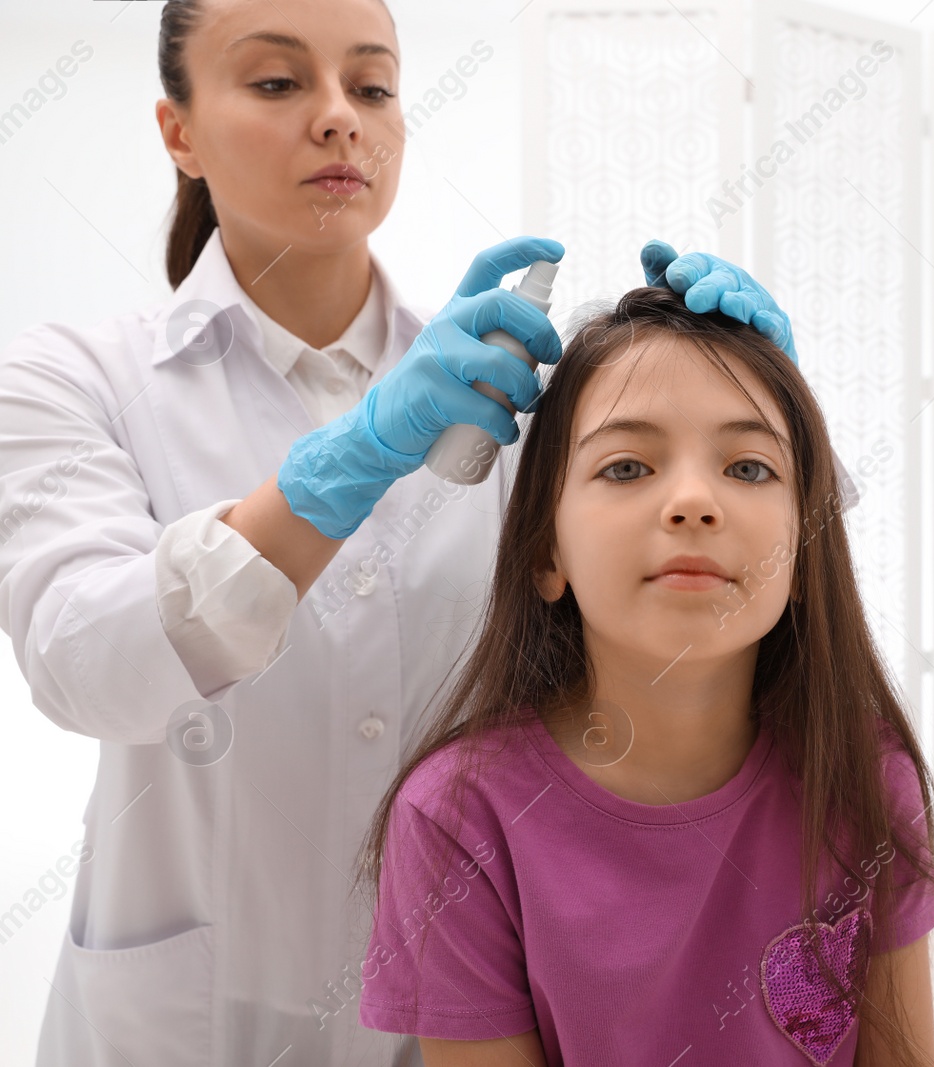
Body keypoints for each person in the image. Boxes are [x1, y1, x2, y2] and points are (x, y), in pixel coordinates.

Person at [0, 0, 853, 1064]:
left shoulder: (503, 391)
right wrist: (340, 466)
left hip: (460, 1009)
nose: (337, 120)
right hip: (185, 1017)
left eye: (370, 86)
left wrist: (765, 414)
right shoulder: (72, 379)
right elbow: (87, 664)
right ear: (178, 130)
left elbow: (690, 606)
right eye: (276, 82)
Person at [354, 284, 934, 1067]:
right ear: (546, 552)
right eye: (628, 465)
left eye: (748, 465)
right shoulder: (457, 820)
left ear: (805, 552)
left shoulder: (867, 777)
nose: (694, 501)